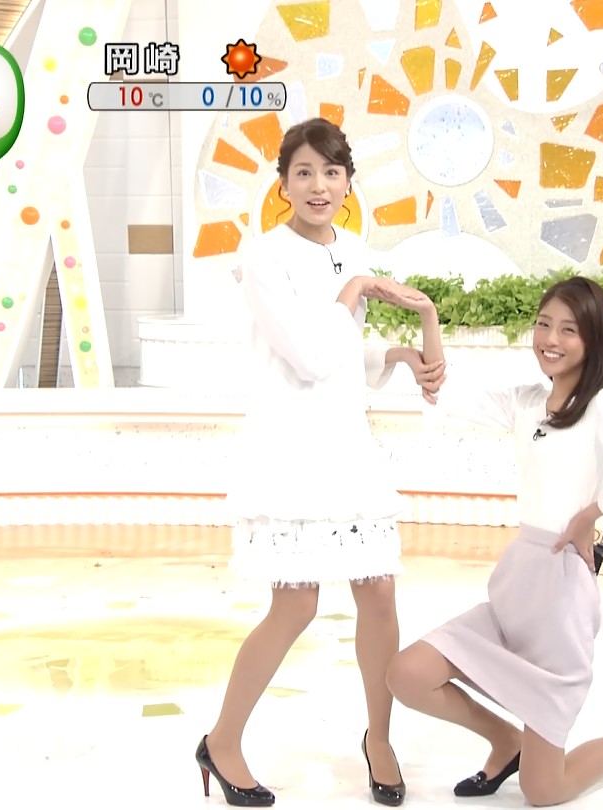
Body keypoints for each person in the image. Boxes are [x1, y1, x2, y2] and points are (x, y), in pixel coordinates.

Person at [385, 276, 603, 806]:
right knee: (408, 673)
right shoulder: (528, 400)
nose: (550, 339)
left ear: (594, 338)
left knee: (543, 789)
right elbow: (441, 387)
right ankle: (506, 741)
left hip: (561, 595)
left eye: (568, 330)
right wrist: (428, 317)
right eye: (543, 324)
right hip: (518, 583)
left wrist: (589, 516)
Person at [197, 118, 443, 808]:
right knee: (296, 604)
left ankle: (379, 740)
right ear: (282, 184)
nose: (319, 185)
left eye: (332, 172)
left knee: (379, 593)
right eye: (303, 172)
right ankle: (221, 741)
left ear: (348, 183)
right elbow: (305, 358)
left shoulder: (352, 249)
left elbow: (342, 359)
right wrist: (354, 291)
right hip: (292, 449)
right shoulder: (263, 258)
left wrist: (394, 355)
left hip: (346, 444)